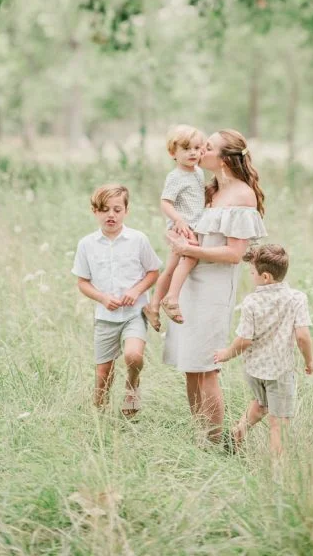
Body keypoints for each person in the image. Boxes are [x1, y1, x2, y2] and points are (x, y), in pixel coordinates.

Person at [163, 129, 266, 444]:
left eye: (207, 147)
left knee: (207, 368)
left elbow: (234, 254)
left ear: (223, 160)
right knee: (191, 367)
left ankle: (215, 440)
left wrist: (192, 251)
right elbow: (186, 230)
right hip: (189, 285)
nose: (199, 151)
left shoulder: (242, 195)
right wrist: (177, 240)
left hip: (213, 290)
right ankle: (200, 437)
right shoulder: (207, 192)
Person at [214, 243, 313, 456]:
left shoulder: (251, 302)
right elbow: (303, 337)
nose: (251, 276)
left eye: (252, 272)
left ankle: (237, 434)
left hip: (254, 370)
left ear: (266, 277)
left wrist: (227, 354)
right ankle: (277, 473)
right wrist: (309, 361)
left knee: (261, 404)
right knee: (279, 424)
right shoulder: (297, 299)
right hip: (280, 372)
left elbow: (244, 340)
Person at [72, 184, 162, 416]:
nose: (110, 215)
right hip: (106, 317)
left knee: (133, 355)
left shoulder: (138, 239)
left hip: (134, 313)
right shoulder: (87, 244)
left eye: (116, 209)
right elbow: (82, 282)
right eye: (104, 209)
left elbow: (153, 272)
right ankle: (99, 416)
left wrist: (135, 291)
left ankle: (132, 386)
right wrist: (102, 298)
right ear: (95, 212)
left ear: (126, 211)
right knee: (103, 373)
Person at [144, 124, 206, 331]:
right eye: (187, 148)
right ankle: (171, 298)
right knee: (191, 255)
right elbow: (165, 202)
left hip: (192, 225)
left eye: (197, 148)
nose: (193, 153)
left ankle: (153, 306)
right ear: (173, 152)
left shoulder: (198, 172)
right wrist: (178, 220)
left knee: (170, 268)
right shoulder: (176, 176)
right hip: (183, 227)